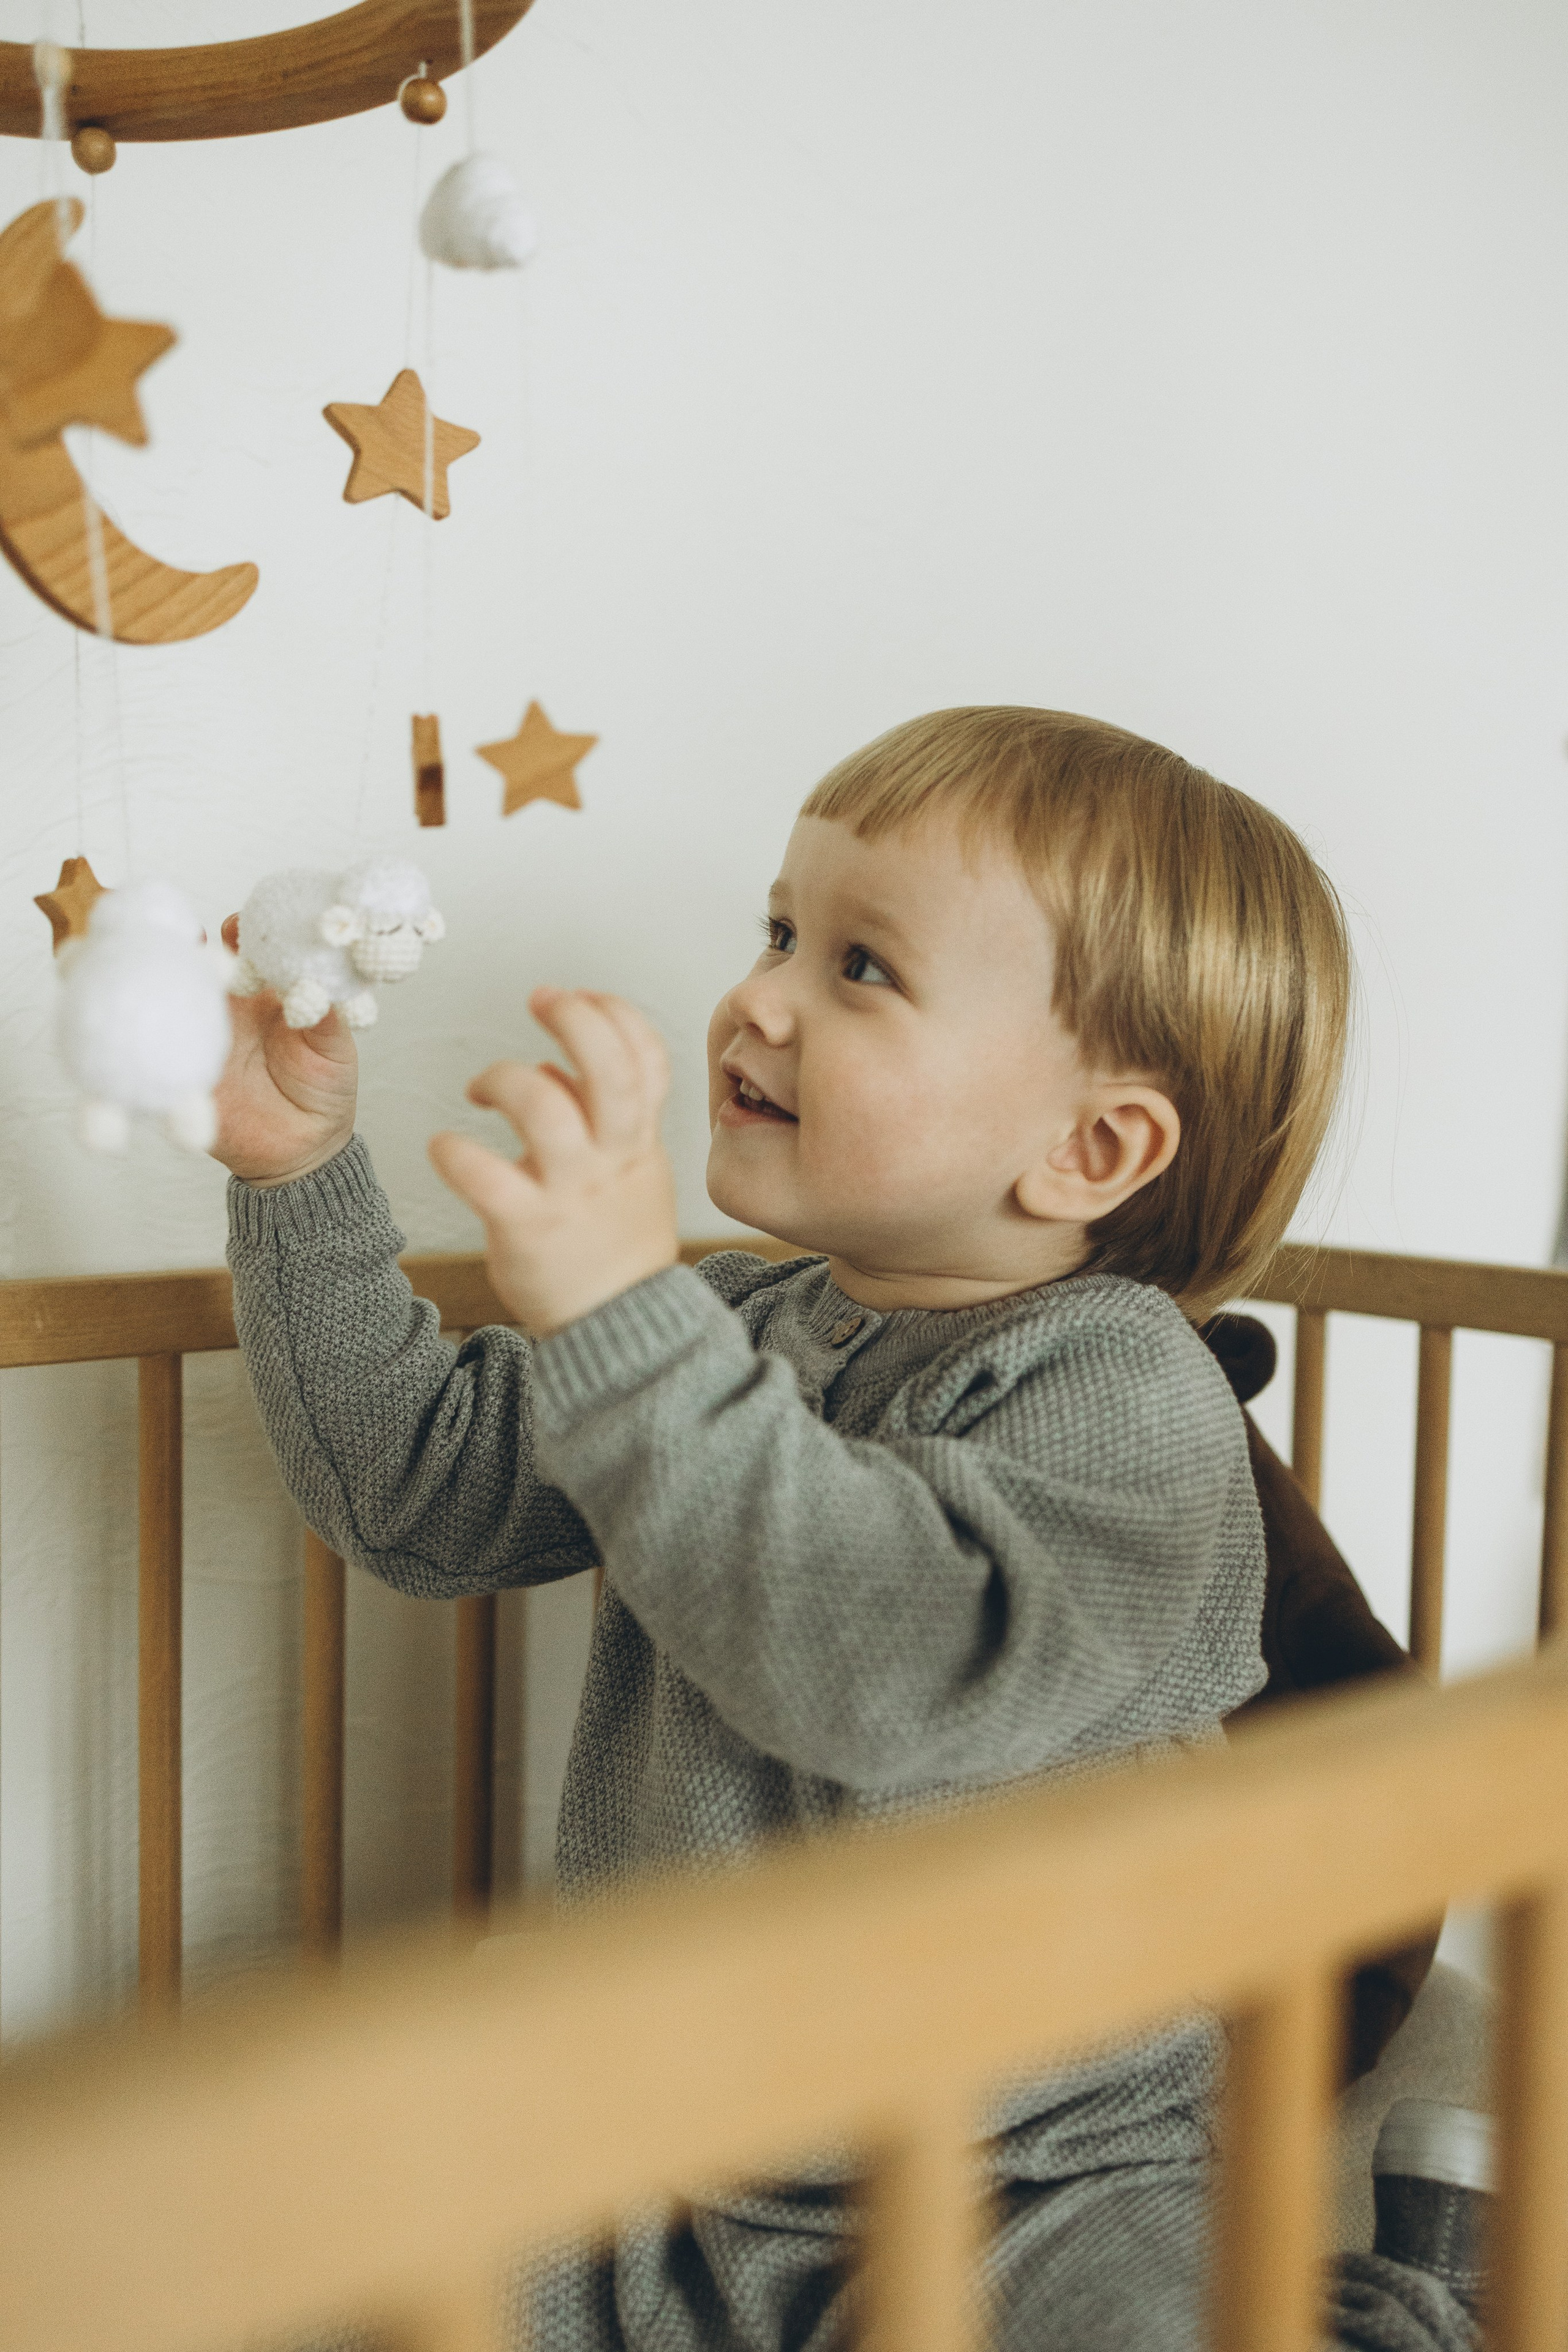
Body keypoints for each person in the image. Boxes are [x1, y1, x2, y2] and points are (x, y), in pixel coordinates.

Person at [212, 707, 1487, 2351]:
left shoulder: (1130, 1396)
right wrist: (298, 1172)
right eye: (779, 931)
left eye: (860, 968)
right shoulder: (727, 1324)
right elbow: (418, 1494)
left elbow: (892, 1671)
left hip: (1036, 2178)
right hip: (668, 2154)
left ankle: (1418, 2296)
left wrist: (624, 1322)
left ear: (1089, 1148)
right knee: (364, 2275)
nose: (760, 996)